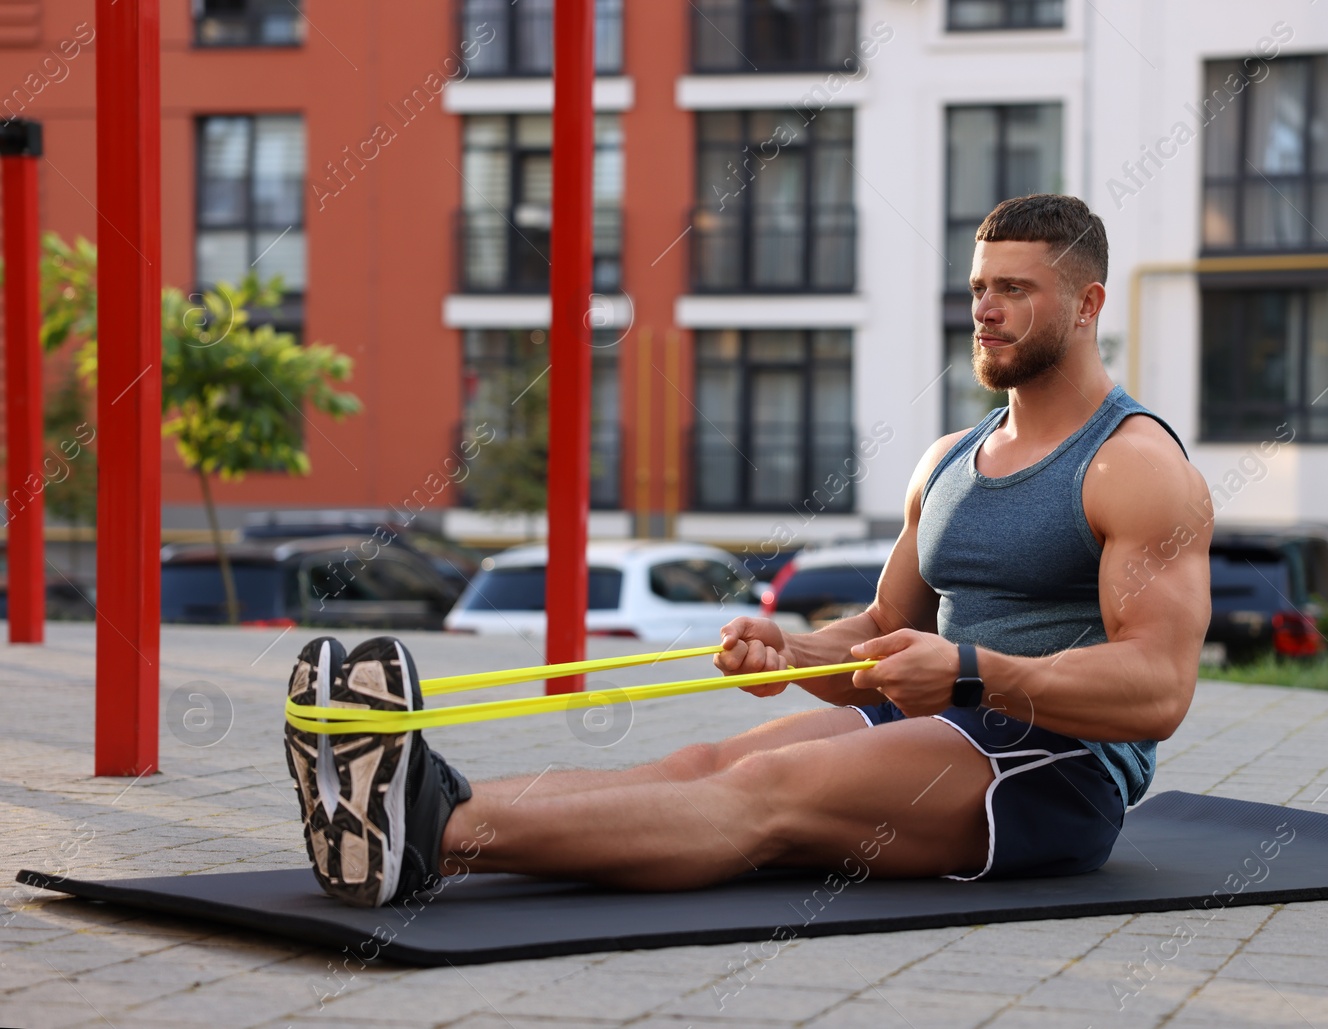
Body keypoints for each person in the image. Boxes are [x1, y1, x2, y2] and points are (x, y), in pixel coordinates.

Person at [283, 193, 1213, 908]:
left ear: (1087, 303)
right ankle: (415, 800)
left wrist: (975, 671)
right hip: (942, 720)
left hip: (1059, 770)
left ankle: (427, 831)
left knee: (765, 788)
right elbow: (889, 634)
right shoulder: (950, 461)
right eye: (978, 287)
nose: (986, 309)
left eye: (1015, 289)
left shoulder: (1134, 466)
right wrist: (797, 653)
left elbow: (1158, 689)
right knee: (699, 763)